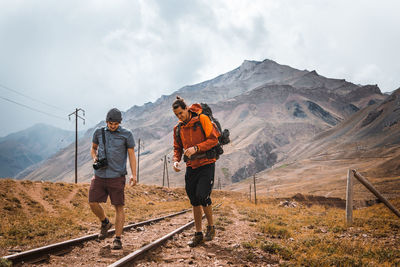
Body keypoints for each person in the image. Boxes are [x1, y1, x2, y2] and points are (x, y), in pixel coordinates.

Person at [172, 96, 219, 247]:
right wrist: (175, 161)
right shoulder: (178, 128)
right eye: (177, 115)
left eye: (181, 113)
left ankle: (211, 228)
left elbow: (214, 140)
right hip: (191, 166)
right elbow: (177, 147)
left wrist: (196, 148)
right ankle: (198, 233)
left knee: (202, 195)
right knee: (194, 200)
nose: (180, 117)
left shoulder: (202, 119)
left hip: (206, 163)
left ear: (186, 108)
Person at [89, 108, 137, 250]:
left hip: (117, 176)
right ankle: (105, 222)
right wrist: (94, 157)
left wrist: (134, 175)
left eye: (115, 124)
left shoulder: (127, 135)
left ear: (120, 123)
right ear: (106, 121)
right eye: (110, 123)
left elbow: (131, 155)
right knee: (92, 202)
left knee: (119, 207)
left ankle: (117, 238)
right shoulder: (98, 132)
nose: (113, 126)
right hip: (99, 175)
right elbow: (93, 148)